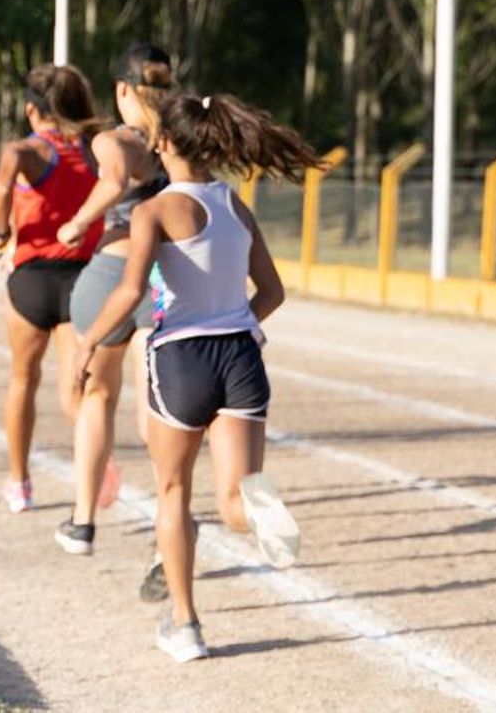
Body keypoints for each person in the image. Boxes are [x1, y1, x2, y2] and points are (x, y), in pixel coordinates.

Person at [71, 92, 319, 663]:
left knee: (173, 492)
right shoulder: (234, 204)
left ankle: (186, 626)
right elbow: (273, 291)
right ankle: (260, 511)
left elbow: (132, 290)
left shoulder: (153, 210)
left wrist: (88, 340)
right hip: (240, 357)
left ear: (161, 144)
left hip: (181, 359)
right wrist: (237, 325)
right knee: (235, 498)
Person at [52, 45, 174, 556]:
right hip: (162, 277)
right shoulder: (177, 141)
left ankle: (82, 521)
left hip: (110, 273)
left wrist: (78, 222)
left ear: (123, 90)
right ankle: (171, 514)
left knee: (97, 397)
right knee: (156, 410)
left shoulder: (112, 140)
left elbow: (115, 182)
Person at [0, 64, 103, 514]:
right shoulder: (97, 150)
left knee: (22, 379)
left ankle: (19, 483)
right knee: (74, 391)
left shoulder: (28, 149)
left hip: (32, 277)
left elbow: (4, 178)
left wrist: (0, 229)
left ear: (31, 110)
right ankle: (97, 456)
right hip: (84, 278)